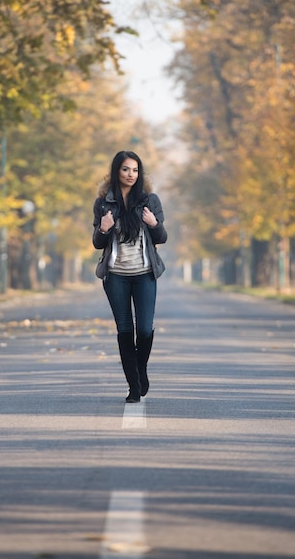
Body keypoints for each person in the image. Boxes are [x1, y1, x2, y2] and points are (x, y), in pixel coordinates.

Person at [92, 150, 167, 403]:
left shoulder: (150, 201)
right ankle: (133, 387)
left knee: (144, 329)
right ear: (116, 172)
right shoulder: (103, 203)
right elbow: (96, 242)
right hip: (116, 277)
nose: (131, 174)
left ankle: (140, 370)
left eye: (135, 170)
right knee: (125, 329)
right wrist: (103, 229)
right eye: (125, 169)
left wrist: (154, 223)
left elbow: (162, 238)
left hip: (145, 274)